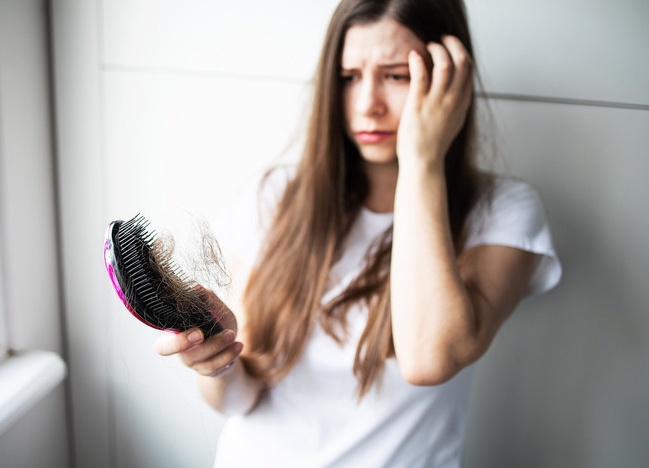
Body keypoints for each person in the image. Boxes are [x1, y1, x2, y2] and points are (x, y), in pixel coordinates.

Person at [155, 0, 561, 466]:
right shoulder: (275, 197)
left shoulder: (500, 213)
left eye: (397, 75)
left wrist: (423, 161)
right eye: (349, 78)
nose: (368, 104)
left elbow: (430, 359)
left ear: (451, 79)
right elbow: (239, 400)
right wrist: (218, 360)